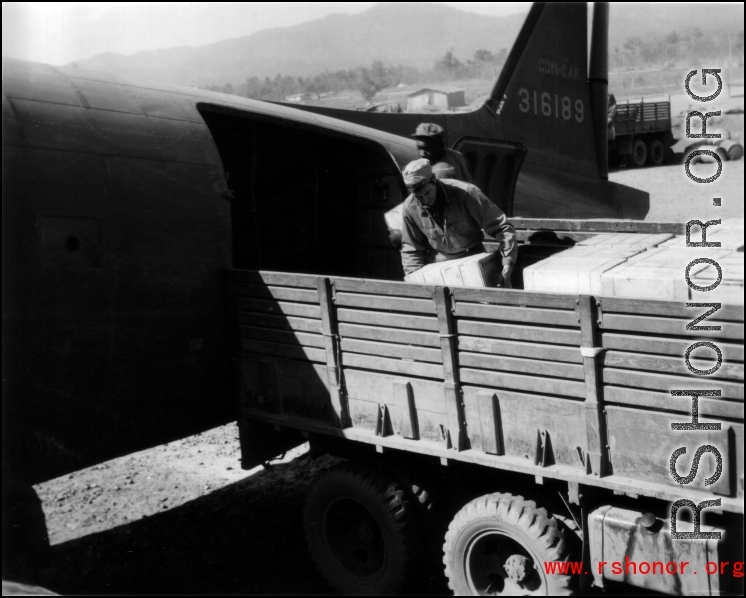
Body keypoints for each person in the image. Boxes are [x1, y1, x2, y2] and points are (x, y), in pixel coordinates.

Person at [400, 158, 517, 287]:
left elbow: (502, 228)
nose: (425, 200)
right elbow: (412, 249)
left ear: (434, 180)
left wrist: (507, 263)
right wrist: (414, 279)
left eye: (428, 193)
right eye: (419, 197)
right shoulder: (409, 207)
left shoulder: (467, 193)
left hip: (472, 260)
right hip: (437, 267)